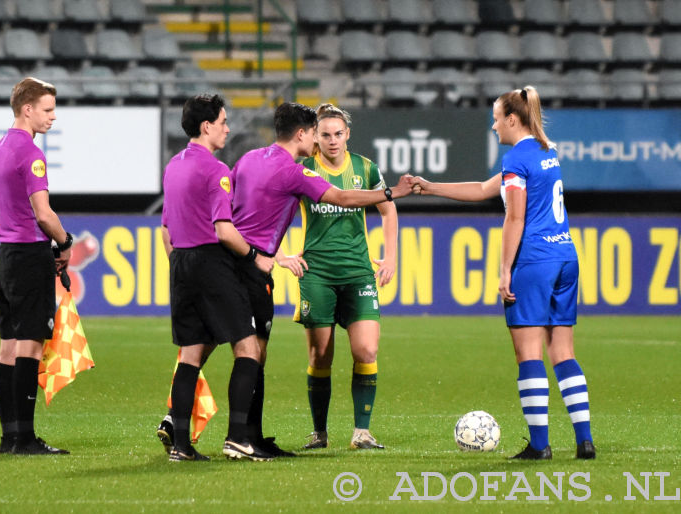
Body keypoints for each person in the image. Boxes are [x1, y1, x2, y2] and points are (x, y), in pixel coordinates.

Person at [157, 102, 416, 457]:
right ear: (302, 134)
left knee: (202, 347)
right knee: (251, 352)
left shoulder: (246, 159)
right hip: (250, 267)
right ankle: (241, 438)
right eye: (315, 133)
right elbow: (340, 197)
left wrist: (268, 255)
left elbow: (230, 208)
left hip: (218, 261)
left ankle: (211, 430)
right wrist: (391, 192)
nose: (320, 141)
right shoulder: (293, 171)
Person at [412, 86, 595, 460]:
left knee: (528, 353)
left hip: (534, 261)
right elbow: (483, 189)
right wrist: (431, 187)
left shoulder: (516, 159)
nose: (494, 125)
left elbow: (515, 217)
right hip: (566, 256)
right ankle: (584, 441)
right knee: (563, 351)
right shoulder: (546, 151)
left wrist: (503, 271)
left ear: (512, 118)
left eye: (496, 118)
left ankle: (540, 446)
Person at [160, 93, 276, 462]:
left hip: (180, 262)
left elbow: (164, 229)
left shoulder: (173, 166)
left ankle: (181, 445)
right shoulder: (216, 171)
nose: (228, 128)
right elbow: (225, 231)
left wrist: (182, 269)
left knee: (191, 355)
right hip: (211, 263)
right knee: (248, 348)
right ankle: (238, 438)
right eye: (224, 122)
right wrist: (257, 257)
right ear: (206, 126)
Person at [296, 103, 399, 451]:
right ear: (315, 137)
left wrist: (391, 256)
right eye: (325, 134)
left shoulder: (366, 168)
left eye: (338, 133)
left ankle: (362, 432)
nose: (332, 140)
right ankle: (319, 433)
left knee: (367, 349)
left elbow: (388, 209)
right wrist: (280, 253)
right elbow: (278, 209)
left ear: (347, 134)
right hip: (317, 272)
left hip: (358, 271)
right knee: (320, 357)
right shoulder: (305, 169)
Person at [0, 77, 73, 455]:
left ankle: (10, 437)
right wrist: (66, 241)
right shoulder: (31, 154)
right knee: (31, 346)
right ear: (27, 109)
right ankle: (24, 438)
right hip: (28, 255)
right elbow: (43, 214)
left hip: (4, 255)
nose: (53, 117)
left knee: (8, 346)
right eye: (47, 109)